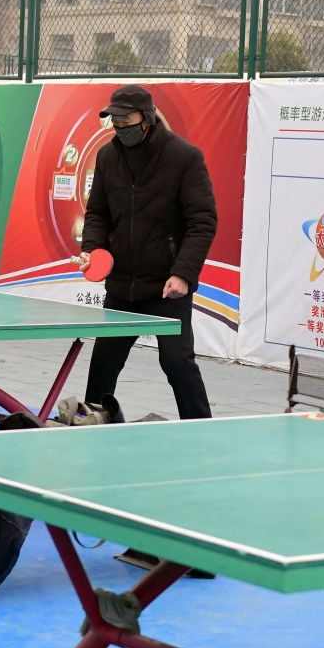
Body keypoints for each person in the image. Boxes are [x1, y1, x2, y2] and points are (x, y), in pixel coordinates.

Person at [80, 84, 218, 423]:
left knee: (176, 362)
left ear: (147, 118)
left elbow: (202, 222)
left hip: (167, 287)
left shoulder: (185, 157)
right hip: (121, 285)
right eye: (115, 121)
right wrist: (92, 250)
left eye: (126, 121)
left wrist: (183, 274)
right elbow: (97, 214)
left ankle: (202, 429)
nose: (120, 127)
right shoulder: (107, 157)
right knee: (103, 362)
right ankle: (89, 428)